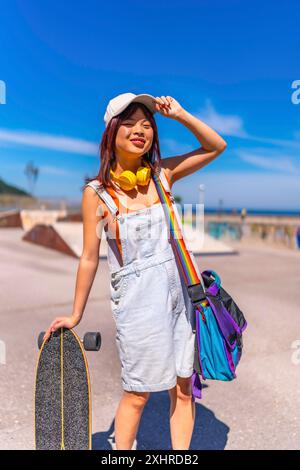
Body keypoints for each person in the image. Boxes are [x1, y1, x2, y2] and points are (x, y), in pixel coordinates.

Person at [43, 92, 227, 450]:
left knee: (184, 389)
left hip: (181, 294)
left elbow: (215, 146)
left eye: (147, 124)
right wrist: (75, 314)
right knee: (138, 393)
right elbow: (89, 257)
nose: (139, 130)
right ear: (111, 132)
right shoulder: (96, 193)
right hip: (137, 301)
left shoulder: (163, 175)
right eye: (129, 123)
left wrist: (181, 115)